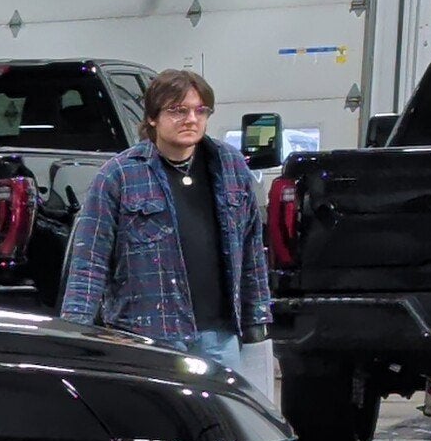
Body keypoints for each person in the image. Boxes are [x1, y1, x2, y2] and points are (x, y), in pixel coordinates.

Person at [59, 66, 274, 398]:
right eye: (178, 110)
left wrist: (257, 319)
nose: (191, 118)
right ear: (153, 118)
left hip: (220, 336)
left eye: (199, 110)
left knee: (223, 429)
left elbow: (251, 251)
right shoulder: (120, 175)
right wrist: (75, 334)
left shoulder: (230, 166)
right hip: (147, 337)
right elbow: (89, 261)